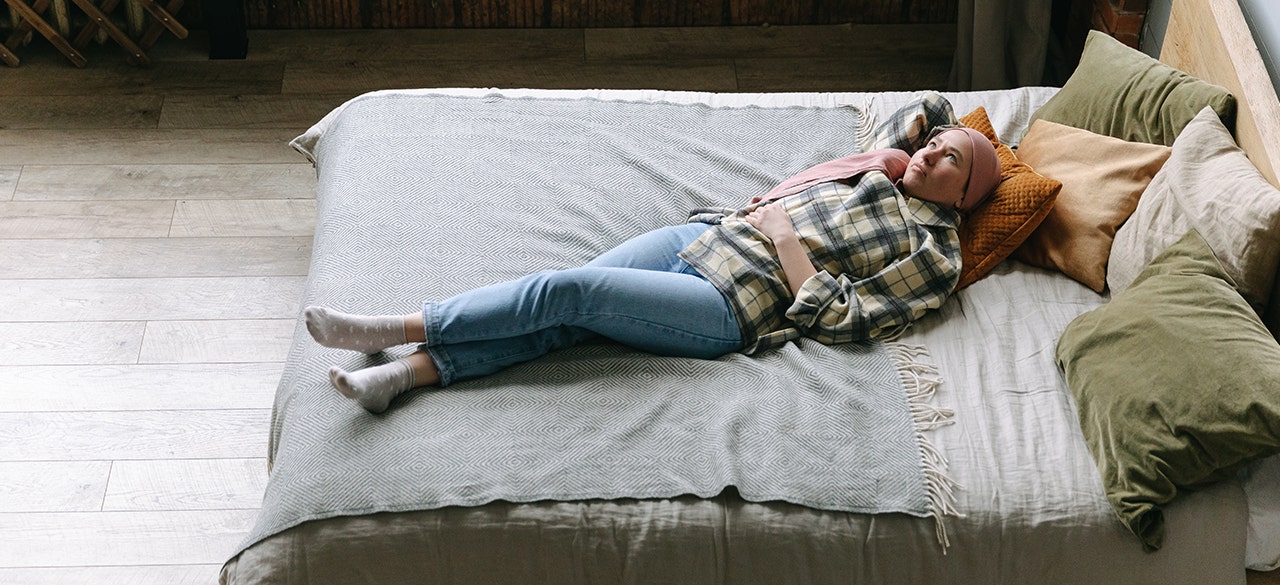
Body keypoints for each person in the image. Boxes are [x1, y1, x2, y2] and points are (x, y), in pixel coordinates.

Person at [304, 93, 1002, 413]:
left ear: (966, 198)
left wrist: (788, 242)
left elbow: (847, 320)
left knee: (567, 293)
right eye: (934, 144)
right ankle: (405, 378)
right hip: (706, 237)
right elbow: (927, 107)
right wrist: (914, 148)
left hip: (732, 304)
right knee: (570, 317)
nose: (932, 150)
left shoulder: (932, 254)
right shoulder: (887, 164)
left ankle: (391, 330)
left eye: (949, 161)